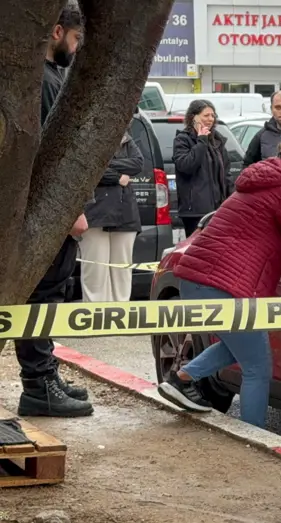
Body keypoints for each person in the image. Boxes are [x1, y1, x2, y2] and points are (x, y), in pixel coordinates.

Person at [157, 135, 281, 428]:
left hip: (200, 279)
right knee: (257, 366)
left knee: (240, 346)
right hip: (220, 286)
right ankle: (255, 440)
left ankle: (181, 378)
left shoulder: (271, 182)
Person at [16, 3, 93, 418]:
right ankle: (39, 383)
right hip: (47, 214)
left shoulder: (50, 77)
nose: (76, 49)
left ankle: (45, 376)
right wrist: (69, 211)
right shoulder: (44, 82)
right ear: (57, 31)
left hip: (47, 212)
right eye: (77, 39)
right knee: (43, 295)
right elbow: (48, 156)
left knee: (49, 295)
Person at [80, 128, 143, 302]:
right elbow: (86, 168)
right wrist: (116, 177)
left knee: (122, 270)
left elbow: (138, 164)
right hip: (95, 212)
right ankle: (94, 317)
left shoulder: (127, 138)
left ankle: (120, 315)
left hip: (125, 213)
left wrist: (105, 165)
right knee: (95, 271)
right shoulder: (88, 136)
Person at [172, 100, 233, 237]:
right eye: (206, 115)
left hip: (218, 209)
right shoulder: (183, 139)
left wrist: (231, 201)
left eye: (213, 115)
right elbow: (187, 166)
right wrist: (201, 141)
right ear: (194, 117)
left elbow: (226, 175)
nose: (210, 119)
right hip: (195, 211)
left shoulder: (217, 141)